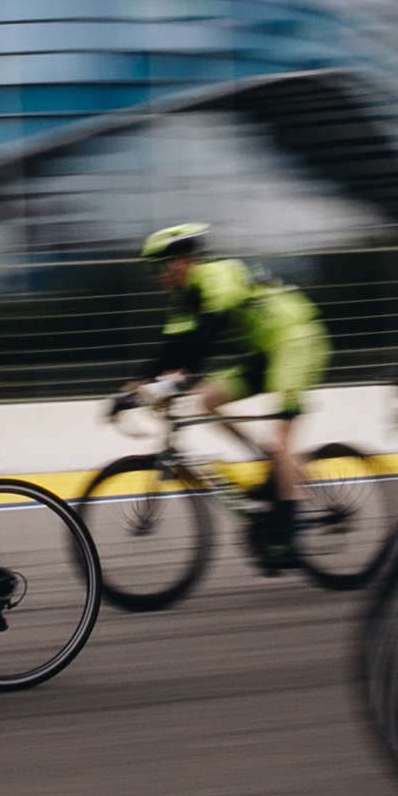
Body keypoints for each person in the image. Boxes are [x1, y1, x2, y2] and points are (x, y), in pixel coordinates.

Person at [120, 224, 332, 570]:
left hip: (297, 340)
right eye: (149, 269)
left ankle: (287, 534)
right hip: (268, 350)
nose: (155, 275)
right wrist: (129, 389)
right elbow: (173, 351)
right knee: (205, 401)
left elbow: (205, 339)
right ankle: (274, 467)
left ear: (185, 260)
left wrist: (166, 384)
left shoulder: (215, 275)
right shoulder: (184, 299)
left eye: (160, 265)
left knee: (281, 444)